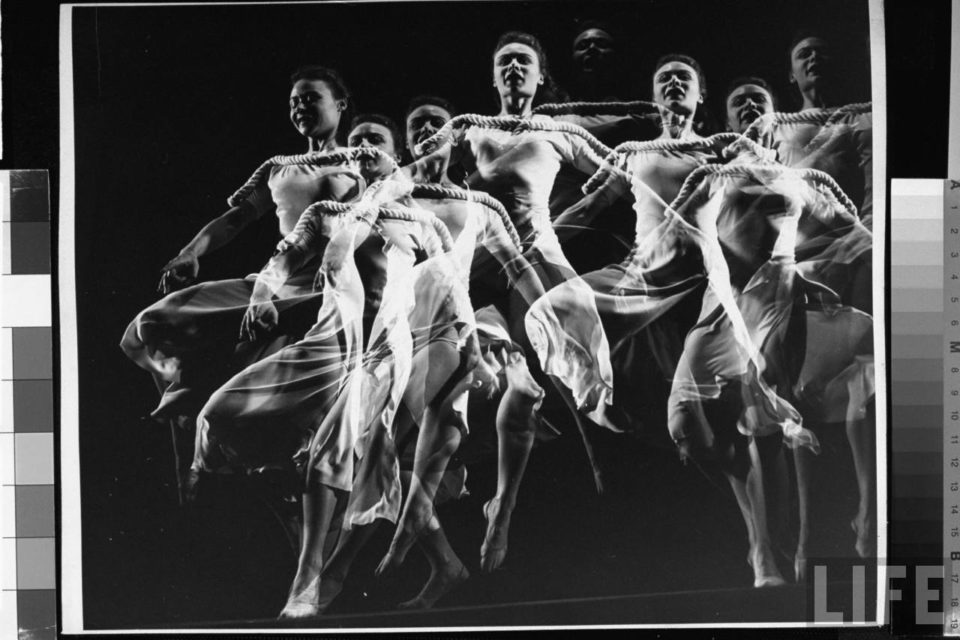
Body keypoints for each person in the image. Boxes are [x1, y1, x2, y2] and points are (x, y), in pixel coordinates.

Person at [120, 66, 363, 498]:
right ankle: (183, 402)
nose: (300, 107)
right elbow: (237, 218)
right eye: (293, 102)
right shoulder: (278, 167)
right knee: (154, 322)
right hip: (272, 281)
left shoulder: (364, 161)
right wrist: (192, 252)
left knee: (278, 408)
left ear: (340, 104)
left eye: (310, 98)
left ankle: (253, 462)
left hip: (327, 287)